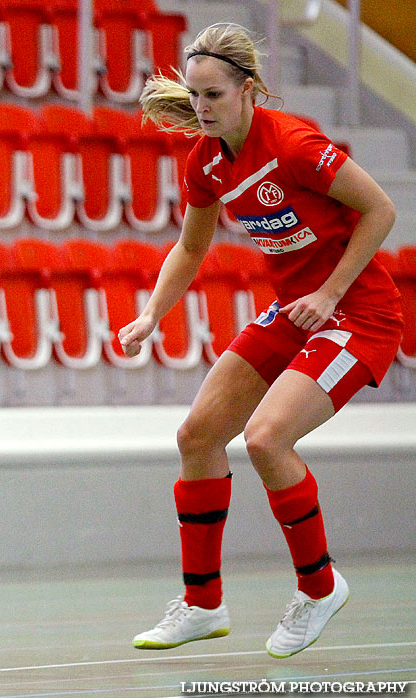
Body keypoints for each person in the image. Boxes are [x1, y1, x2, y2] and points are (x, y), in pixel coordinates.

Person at [119, 23, 402, 659]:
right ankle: (201, 604)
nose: (201, 108)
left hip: (359, 314)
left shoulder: (295, 143)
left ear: (249, 90)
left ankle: (320, 587)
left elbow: (380, 209)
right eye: (194, 95)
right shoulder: (207, 161)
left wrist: (329, 294)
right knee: (197, 437)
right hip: (292, 310)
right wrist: (150, 317)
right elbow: (192, 247)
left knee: (268, 439)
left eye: (213, 94)